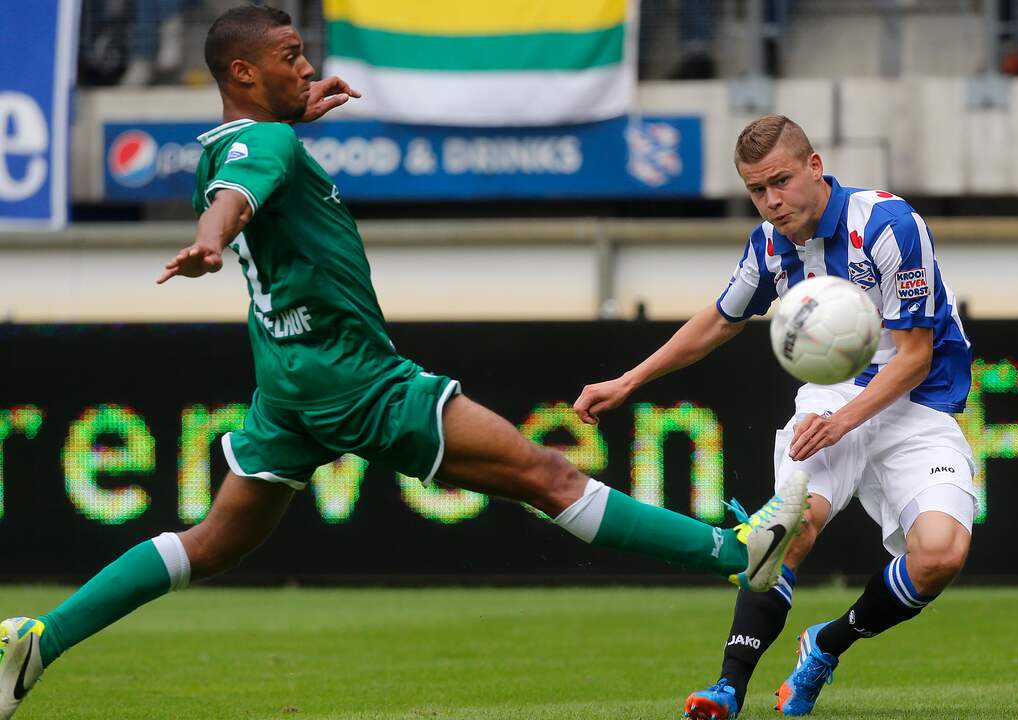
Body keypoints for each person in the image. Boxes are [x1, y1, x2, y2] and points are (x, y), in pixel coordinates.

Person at [0, 7, 809, 718]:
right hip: (351, 376)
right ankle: (737, 553)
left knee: (212, 542)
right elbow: (235, 203)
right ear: (243, 71)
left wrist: (276, 147)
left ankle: (42, 637)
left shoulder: (234, 140)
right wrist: (210, 243)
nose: (307, 64)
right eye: (289, 56)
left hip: (286, 380)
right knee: (544, 474)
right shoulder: (266, 144)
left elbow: (247, 176)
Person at [574, 115, 977, 718]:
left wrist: (846, 425)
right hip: (830, 394)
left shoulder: (890, 225)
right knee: (792, 526)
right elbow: (719, 320)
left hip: (915, 404)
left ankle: (825, 645)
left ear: (815, 167)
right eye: (757, 191)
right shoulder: (767, 243)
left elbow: (915, 358)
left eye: (780, 182)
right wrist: (629, 380)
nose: (771, 201)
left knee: (941, 554)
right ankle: (728, 687)